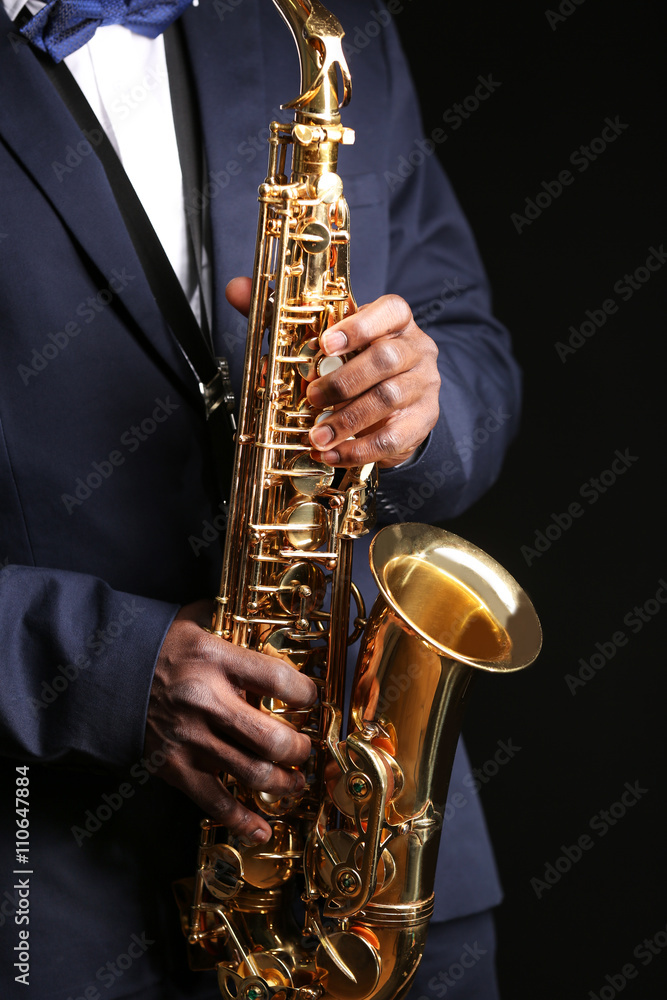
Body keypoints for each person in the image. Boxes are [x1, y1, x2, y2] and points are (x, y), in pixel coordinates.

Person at [0, 1, 521, 997]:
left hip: (376, 897)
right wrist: (106, 673)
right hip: (52, 909)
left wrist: (416, 405)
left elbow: (472, 347)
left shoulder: (323, 26)